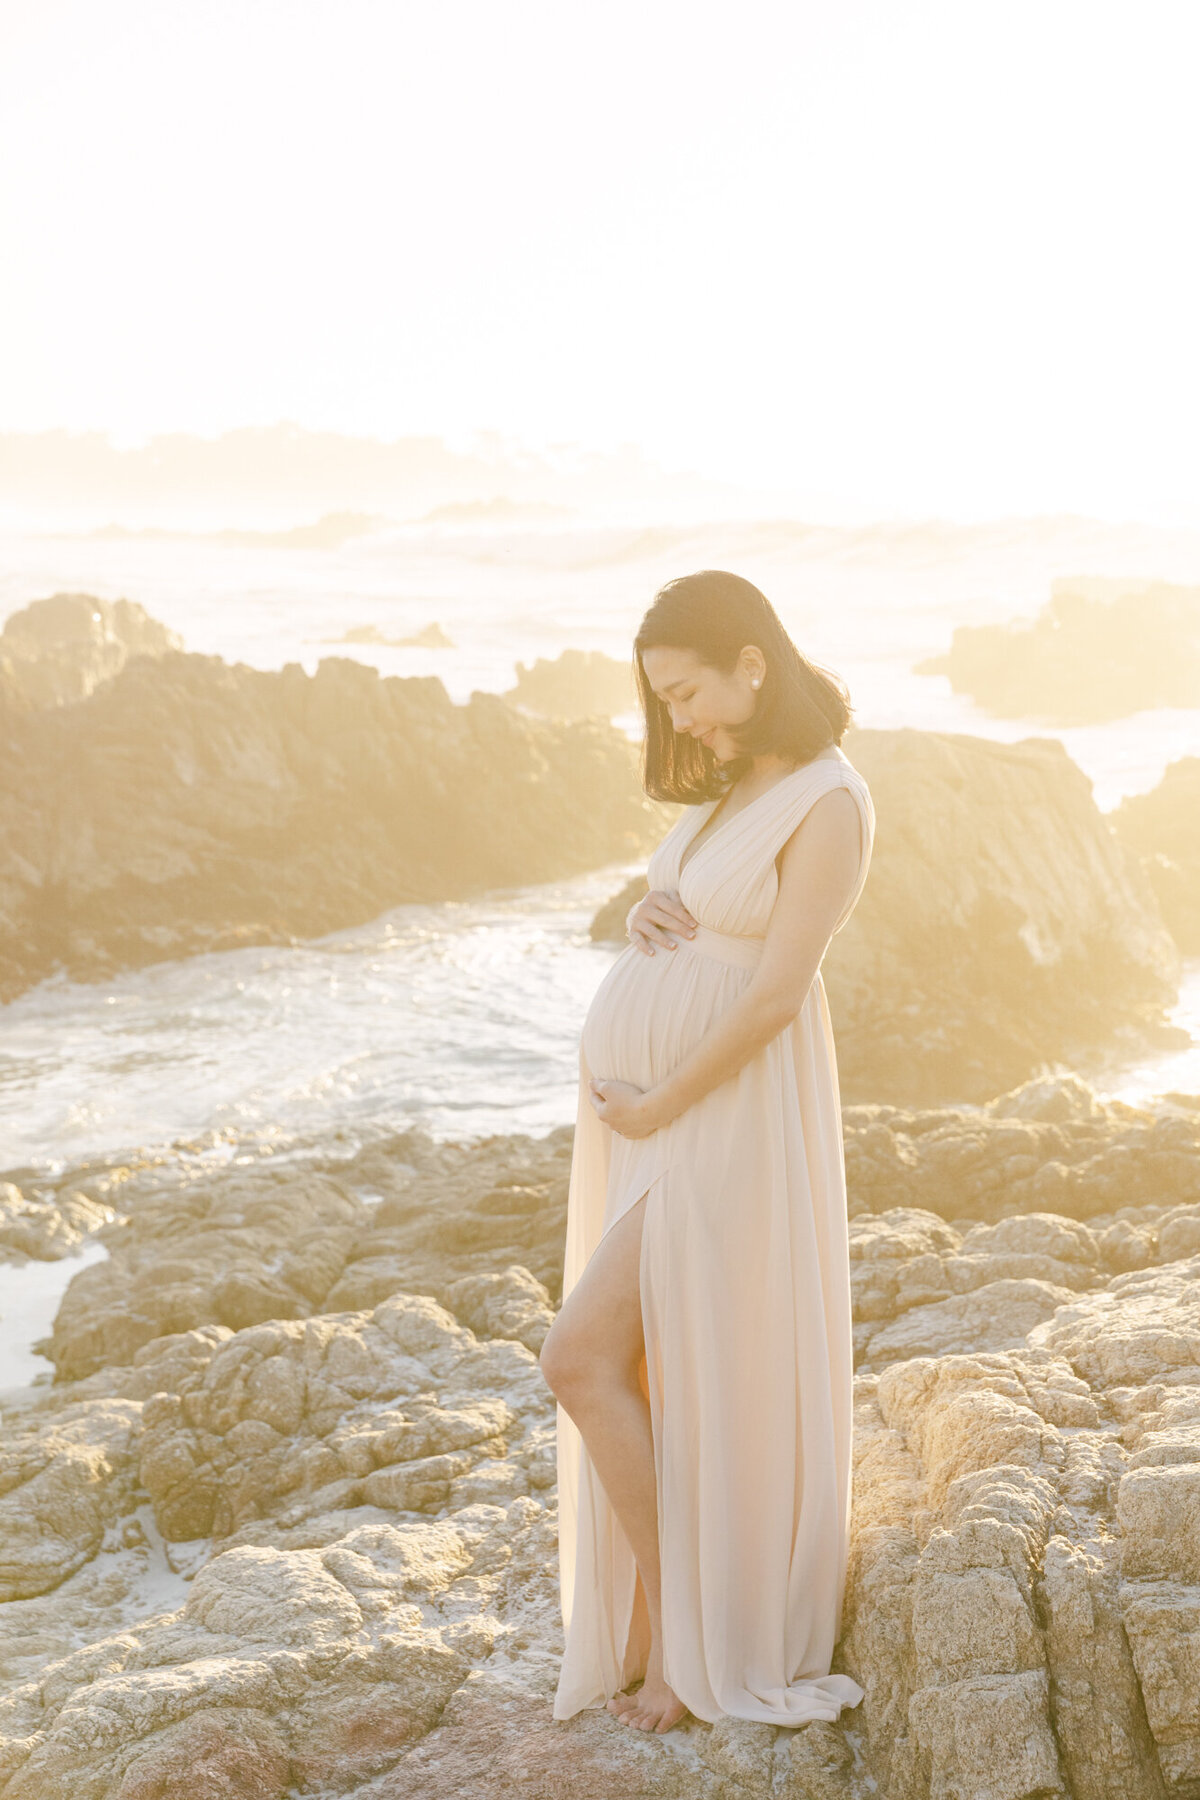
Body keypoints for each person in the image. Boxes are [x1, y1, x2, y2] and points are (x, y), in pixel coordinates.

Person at [539, 569, 874, 1735]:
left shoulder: (830, 800)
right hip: (661, 1126)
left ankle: (692, 1644)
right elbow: (697, 921)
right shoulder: (740, 784)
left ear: (752, 662)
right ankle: (670, 1629)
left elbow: (779, 992)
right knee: (637, 1366)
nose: (680, 721)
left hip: (717, 1124)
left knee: (577, 1358)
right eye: (663, 701)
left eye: (688, 694)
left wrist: (660, 1100)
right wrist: (648, 910)